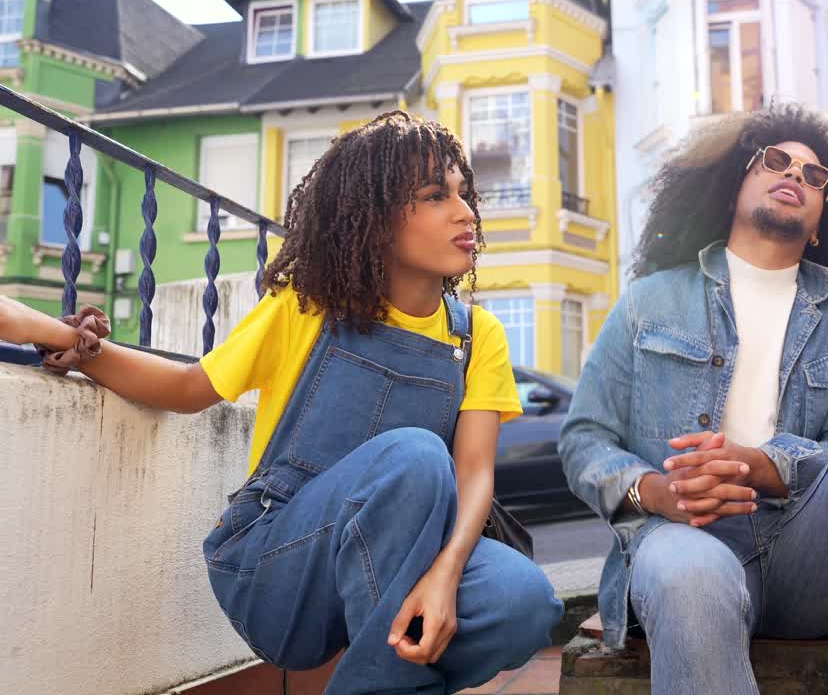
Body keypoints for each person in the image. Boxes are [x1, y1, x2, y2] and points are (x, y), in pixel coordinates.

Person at [0, 112, 562, 694]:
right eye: (434, 196)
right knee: (416, 458)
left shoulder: (478, 338)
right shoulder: (309, 309)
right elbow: (187, 389)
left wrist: (446, 575)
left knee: (525, 603)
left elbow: (475, 474)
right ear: (375, 220)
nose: (466, 211)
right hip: (280, 565)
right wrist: (59, 335)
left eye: (464, 194)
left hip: (408, 565)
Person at [559, 103, 828, 694]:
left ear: (824, 219)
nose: (795, 175)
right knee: (691, 577)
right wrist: (656, 491)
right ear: (731, 190)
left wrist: (765, 465)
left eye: (814, 175)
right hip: (681, 536)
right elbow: (583, 439)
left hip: (807, 552)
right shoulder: (649, 301)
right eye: (776, 161)